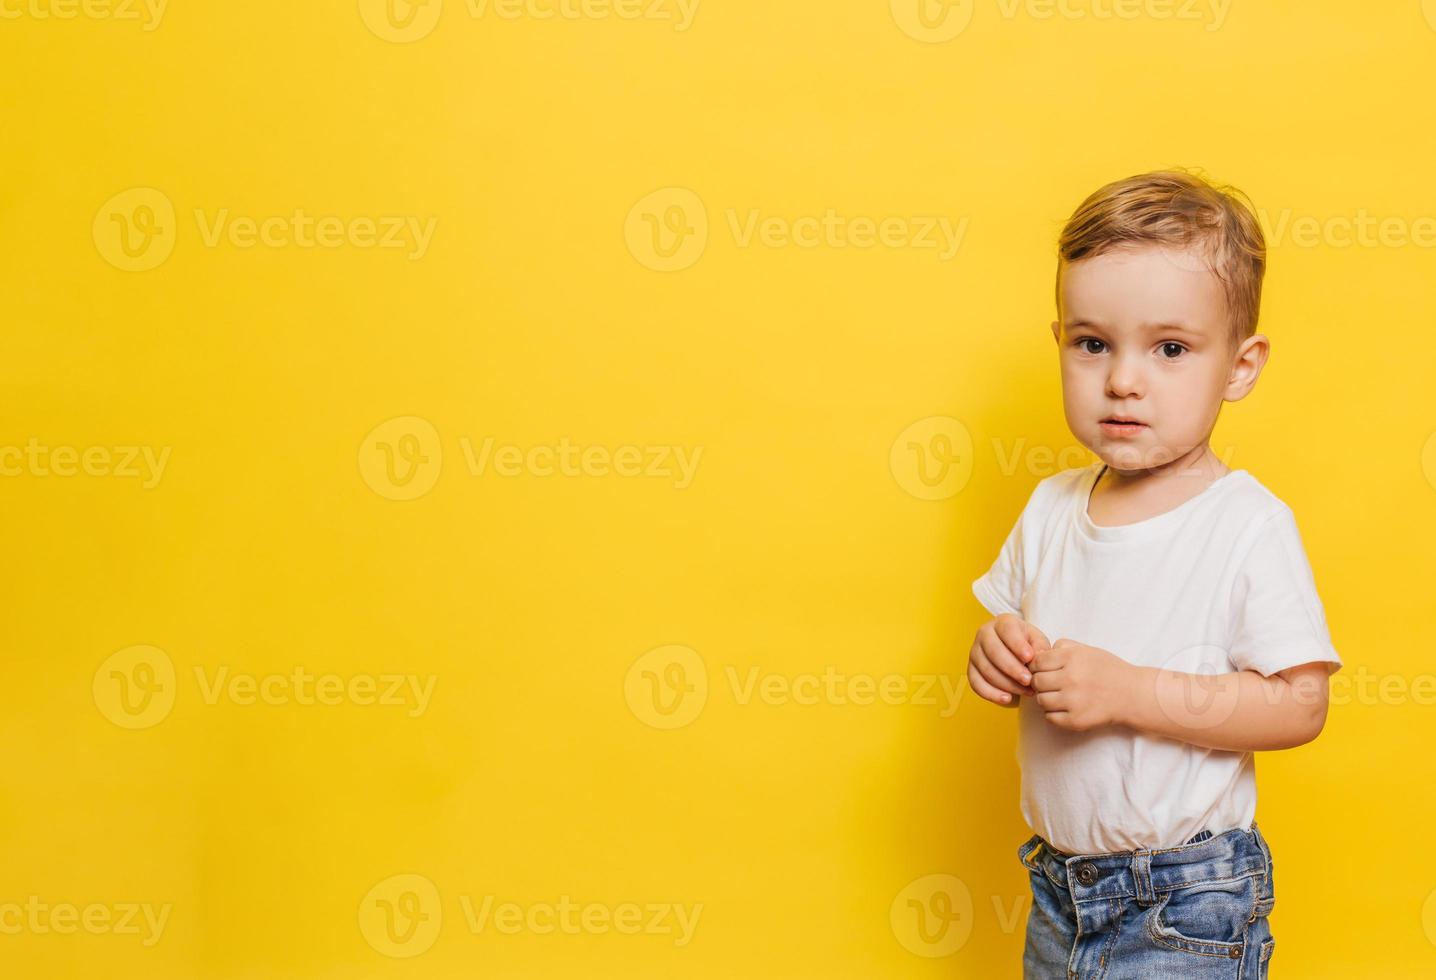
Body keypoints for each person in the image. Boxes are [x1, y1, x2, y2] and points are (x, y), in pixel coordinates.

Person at [969, 169, 1342, 978]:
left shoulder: (1245, 526)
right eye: (1092, 342)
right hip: (1061, 888)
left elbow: (1301, 703)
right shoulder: (1050, 509)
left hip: (1184, 900)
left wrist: (1131, 693)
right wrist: (996, 648)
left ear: (1240, 368)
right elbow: (1008, 623)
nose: (1123, 379)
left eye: (1170, 348)